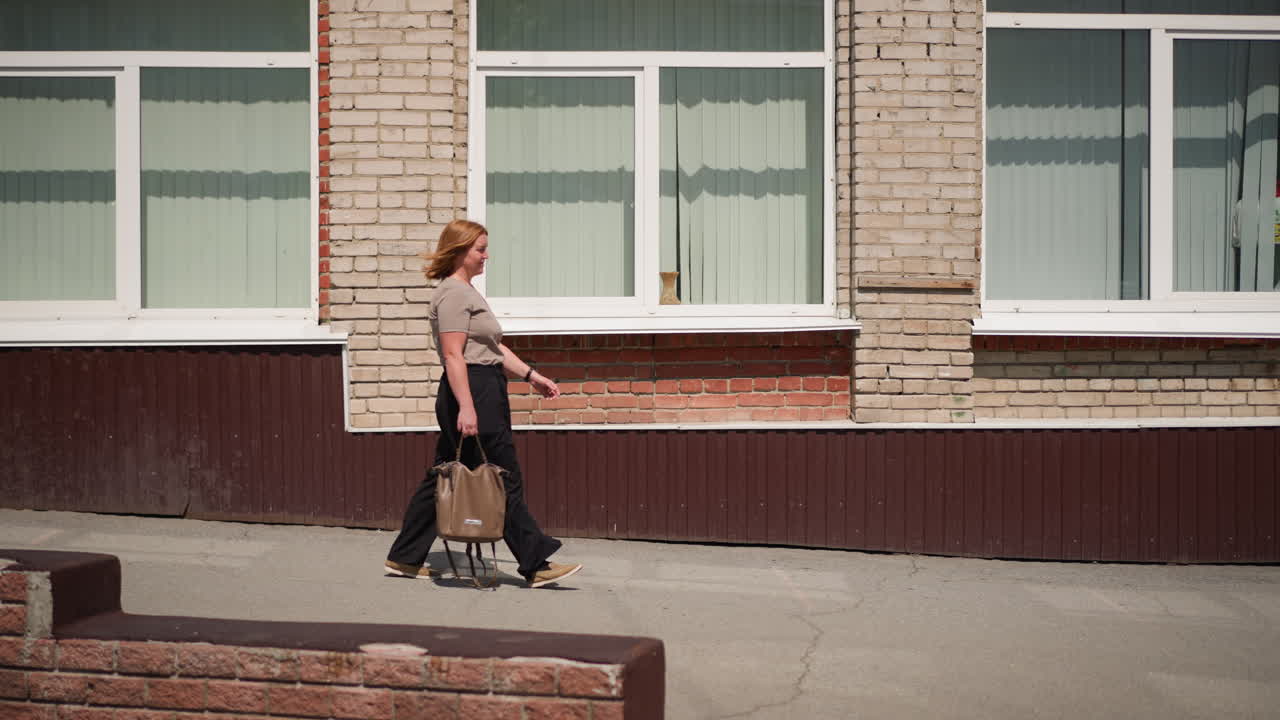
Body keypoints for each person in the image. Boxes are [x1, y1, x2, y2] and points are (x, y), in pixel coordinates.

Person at [383, 219, 583, 588]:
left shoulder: (466, 292)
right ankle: (535, 563)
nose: (485, 255)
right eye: (480, 249)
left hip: (481, 386)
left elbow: (492, 348)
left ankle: (404, 557)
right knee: (502, 478)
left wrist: (530, 375)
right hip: (472, 391)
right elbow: (453, 354)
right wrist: (468, 407)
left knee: (446, 476)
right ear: (460, 251)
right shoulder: (455, 294)